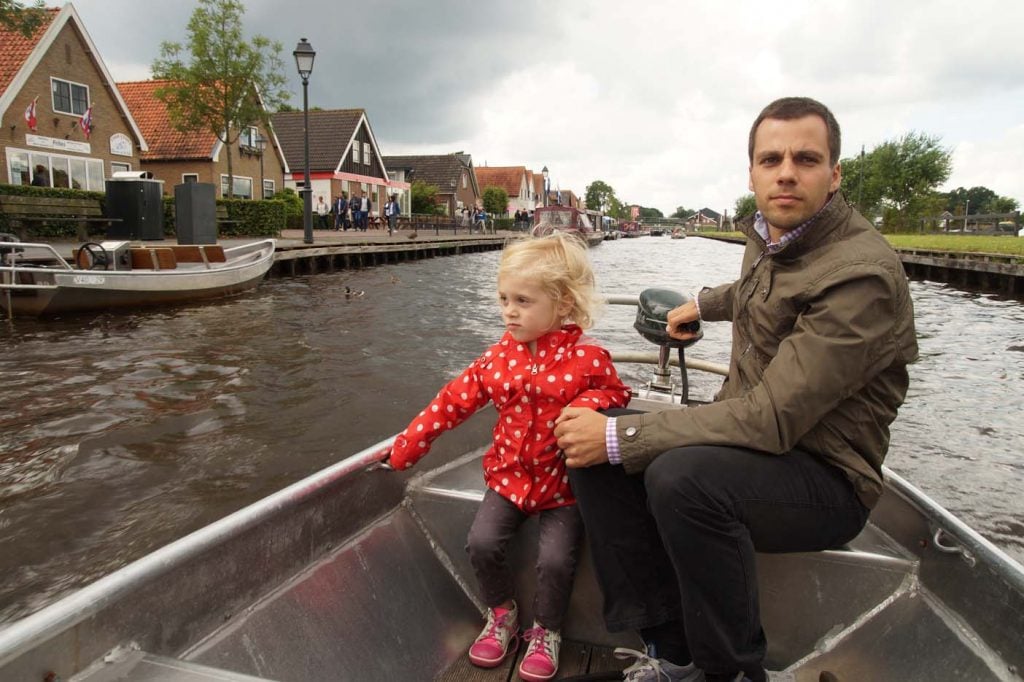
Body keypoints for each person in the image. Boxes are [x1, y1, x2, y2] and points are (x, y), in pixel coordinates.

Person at [553, 96, 919, 682]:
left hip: (825, 474)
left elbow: (771, 417)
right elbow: (759, 284)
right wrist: (702, 302)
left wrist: (621, 435)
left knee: (678, 476)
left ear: (835, 174)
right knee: (589, 452)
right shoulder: (772, 232)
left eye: (806, 158)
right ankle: (672, 649)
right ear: (751, 171)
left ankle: (733, 672)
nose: (787, 172)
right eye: (771, 159)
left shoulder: (863, 277)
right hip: (756, 445)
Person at [379, 233, 631, 682]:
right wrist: (408, 446)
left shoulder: (588, 359)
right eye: (503, 299)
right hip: (509, 478)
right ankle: (502, 614)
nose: (508, 311)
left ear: (564, 305)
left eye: (522, 301)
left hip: (564, 487)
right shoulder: (496, 361)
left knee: (555, 560)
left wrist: (587, 405)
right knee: (481, 542)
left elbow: (615, 392)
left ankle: (546, 630)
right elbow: (449, 403)